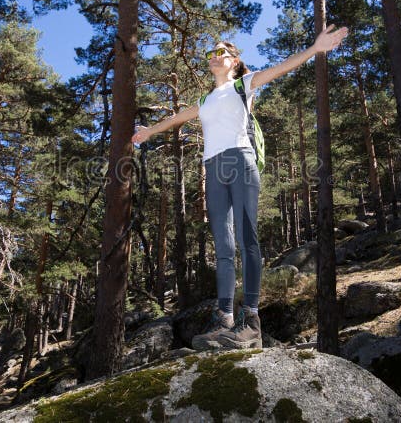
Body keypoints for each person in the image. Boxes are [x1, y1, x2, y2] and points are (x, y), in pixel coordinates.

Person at [132, 25, 348, 349]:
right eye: (211, 53)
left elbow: (281, 68)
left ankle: (252, 323)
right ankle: (224, 320)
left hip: (240, 162)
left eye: (221, 52)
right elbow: (178, 118)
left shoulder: (243, 85)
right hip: (213, 169)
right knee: (223, 247)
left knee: (248, 238)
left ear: (234, 61)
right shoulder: (205, 99)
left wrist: (314, 48)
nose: (214, 57)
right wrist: (150, 131)